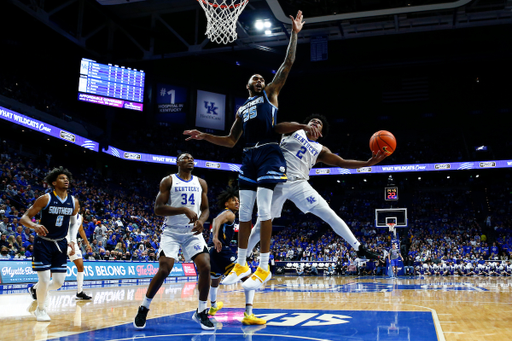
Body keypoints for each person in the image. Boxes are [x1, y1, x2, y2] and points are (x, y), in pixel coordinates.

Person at [183, 11, 306, 290]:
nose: (260, 80)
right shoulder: (241, 109)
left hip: (269, 153)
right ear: (247, 85)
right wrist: (204, 135)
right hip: (249, 155)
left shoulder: (271, 94)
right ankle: (241, 263)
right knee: (245, 213)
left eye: (262, 78)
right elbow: (230, 140)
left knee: (264, 211)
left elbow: (287, 64)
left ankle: (263, 266)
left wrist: (295, 34)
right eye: (255, 78)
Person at [247, 114, 386, 261]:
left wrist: (366, 164)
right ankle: (244, 256)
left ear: (320, 133)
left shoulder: (320, 149)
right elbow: (277, 128)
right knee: (261, 224)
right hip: (278, 181)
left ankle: (359, 248)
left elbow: (342, 162)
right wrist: (302, 126)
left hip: (299, 184)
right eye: (312, 121)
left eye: (319, 123)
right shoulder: (295, 130)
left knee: (330, 214)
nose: (315, 122)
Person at [133, 152, 214, 330]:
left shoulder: (201, 183)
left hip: (192, 232)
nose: (190, 160)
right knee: (165, 269)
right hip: (171, 232)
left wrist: (202, 221)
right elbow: (158, 209)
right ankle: (144, 307)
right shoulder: (168, 180)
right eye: (185, 158)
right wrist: (183, 210)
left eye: (192, 158)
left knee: (206, 266)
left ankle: (201, 311)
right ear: (178, 162)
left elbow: (206, 209)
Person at [21, 166, 80, 322]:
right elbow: (24, 218)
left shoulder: (73, 202)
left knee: (58, 282)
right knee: (45, 280)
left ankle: (35, 289)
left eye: (67, 178)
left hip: (61, 244)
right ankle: (40, 309)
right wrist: (34, 226)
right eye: (61, 178)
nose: (66, 180)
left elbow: (74, 223)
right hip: (43, 243)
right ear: (54, 182)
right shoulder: (45, 198)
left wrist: (73, 240)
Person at [207, 188, 265, 325]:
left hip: (211, 251)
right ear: (226, 203)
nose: (237, 202)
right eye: (233, 200)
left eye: (238, 200)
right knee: (248, 277)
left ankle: (213, 306)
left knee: (215, 278)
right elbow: (215, 220)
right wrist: (216, 237)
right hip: (221, 250)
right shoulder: (229, 214)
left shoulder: (228, 214)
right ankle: (249, 315)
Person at [28, 213, 93, 301]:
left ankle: (80, 292)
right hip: (61, 241)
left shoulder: (80, 217)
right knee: (52, 272)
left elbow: (80, 230)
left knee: (80, 266)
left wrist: (87, 243)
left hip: (73, 243)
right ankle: (35, 288)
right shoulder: (66, 214)